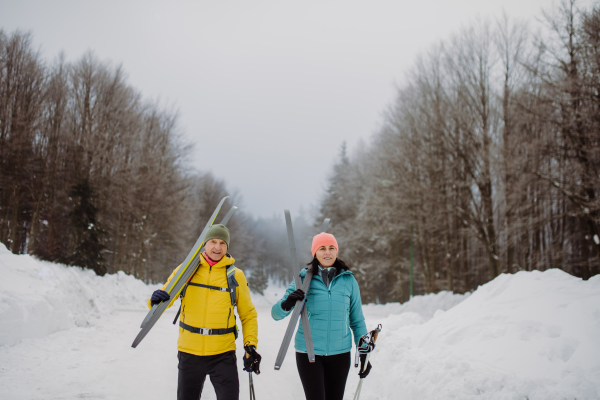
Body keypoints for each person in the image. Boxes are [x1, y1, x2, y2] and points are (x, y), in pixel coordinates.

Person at [149, 224, 260, 400]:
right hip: (189, 352)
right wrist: (155, 299)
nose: (217, 247)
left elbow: (248, 315)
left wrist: (250, 345)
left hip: (223, 354)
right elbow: (164, 300)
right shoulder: (186, 270)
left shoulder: (235, 275)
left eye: (223, 243)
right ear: (204, 244)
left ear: (227, 247)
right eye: (213, 241)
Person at [271, 232, 371, 400]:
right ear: (315, 253)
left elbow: (357, 319)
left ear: (337, 251)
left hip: (340, 354)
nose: (327, 252)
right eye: (322, 248)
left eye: (331, 248)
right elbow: (275, 314)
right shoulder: (302, 279)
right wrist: (287, 303)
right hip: (309, 354)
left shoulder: (348, 280)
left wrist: (363, 351)